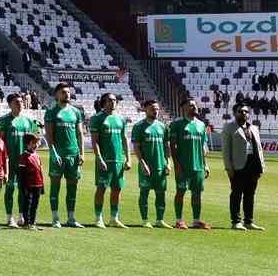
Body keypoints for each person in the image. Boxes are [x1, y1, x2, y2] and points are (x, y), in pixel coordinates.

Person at [44, 83, 85, 228]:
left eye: (68, 92)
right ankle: (55, 218)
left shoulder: (76, 112)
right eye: (63, 92)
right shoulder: (51, 112)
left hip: (73, 155)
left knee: (72, 187)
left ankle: (71, 218)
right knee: (55, 186)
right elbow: (49, 135)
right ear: (56, 95)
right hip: (58, 155)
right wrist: (53, 153)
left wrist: (81, 153)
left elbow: (80, 133)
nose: (66, 94)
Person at [167, 98, 211, 230]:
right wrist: (177, 164)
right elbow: (172, 146)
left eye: (195, 105)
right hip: (183, 166)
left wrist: (205, 164)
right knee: (181, 191)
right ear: (184, 108)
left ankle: (196, 220)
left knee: (197, 193)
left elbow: (203, 147)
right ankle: (179, 220)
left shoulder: (201, 125)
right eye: (191, 105)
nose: (194, 107)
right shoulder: (177, 124)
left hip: (198, 166)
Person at [222, 103, 266, 231]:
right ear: (235, 113)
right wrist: (228, 168)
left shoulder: (253, 128)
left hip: (253, 165)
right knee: (236, 194)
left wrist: (261, 166)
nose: (244, 113)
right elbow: (226, 150)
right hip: (238, 166)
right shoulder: (229, 127)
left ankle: (249, 221)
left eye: (246, 111)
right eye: (241, 111)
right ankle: (236, 221)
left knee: (250, 195)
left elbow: (259, 148)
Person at [88, 93, 129, 229]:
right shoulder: (97, 119)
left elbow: (124, 140)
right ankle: (98, 218)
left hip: (118, 160)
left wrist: (128, 158)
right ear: (104, 102)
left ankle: (114, 218)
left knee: (117, 189)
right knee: (101, 188)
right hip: (104, 160)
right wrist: (99, 158)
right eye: (110, 100)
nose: (113, 103)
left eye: (115, 100)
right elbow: (95, 142)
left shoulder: (120, 119)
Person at [0, 93, 38, 228]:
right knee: (10, 189)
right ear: (10, 104)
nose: (20, 104)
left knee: (24, 190)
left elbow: (33, 143)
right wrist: (3, 160)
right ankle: (9, 217)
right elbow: (0, 142)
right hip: (10, 161)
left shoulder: (28, 121)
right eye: (16, 102)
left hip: (25, 163)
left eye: (21, 102)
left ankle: (22, 216)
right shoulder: (4, 121)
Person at [129, 99, 169, 228]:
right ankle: (145, 220)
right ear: (145, 109)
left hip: (160, 166)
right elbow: (136, 148)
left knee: (161, 194)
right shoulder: (139, 127)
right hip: (146, 166)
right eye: (152, 108)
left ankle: (160, 220)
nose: (155, 111)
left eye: (157, 109)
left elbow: (166, 147)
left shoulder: (162, 126)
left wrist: (168, 163)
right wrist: (143, 163)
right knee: (144, 193)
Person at [18, 130, 46, 230]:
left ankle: (33, 223)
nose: (36, 145)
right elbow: (21, 174)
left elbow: (40, 171)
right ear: (27, 144)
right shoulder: (24, 156)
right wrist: (23, 187)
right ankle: (27, 223)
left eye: (37, 143)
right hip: (28, 185)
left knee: (35, 204)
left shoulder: (37, 156)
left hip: (37, 184)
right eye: (33, 143)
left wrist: (42, 185)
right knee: (28, 204)